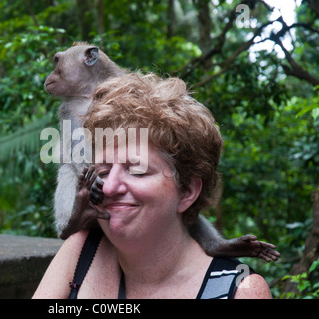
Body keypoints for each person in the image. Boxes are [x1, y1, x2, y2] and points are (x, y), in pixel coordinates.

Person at [33, 73, 272, 299]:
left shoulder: (240, 290)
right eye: (103, 172)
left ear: (187, 191)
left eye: (137, 171)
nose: (108, 187)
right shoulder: (81, 251)